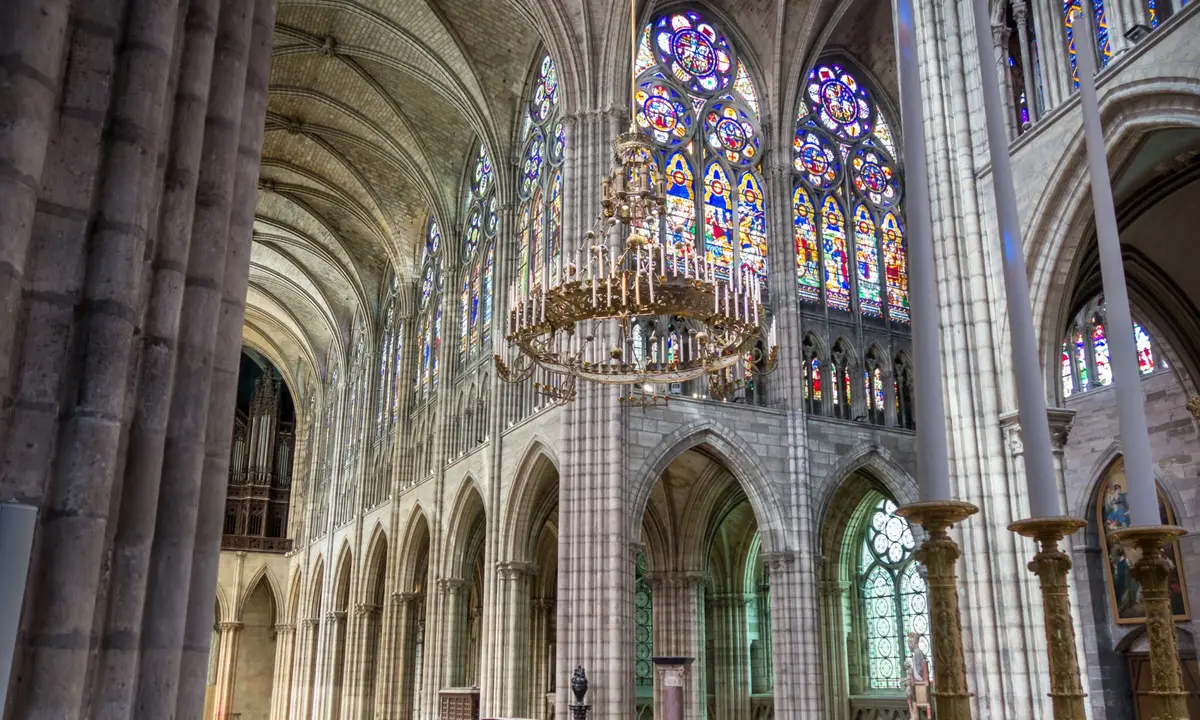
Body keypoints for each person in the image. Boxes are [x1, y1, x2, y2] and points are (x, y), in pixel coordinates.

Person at [904, 632, 930, 720]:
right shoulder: (917, 653)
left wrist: (911, 675)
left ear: (913, 643)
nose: (908, 646)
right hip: (917, 682)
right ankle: (913, 714)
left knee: (908, 690)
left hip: (920, 684)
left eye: (909, 644)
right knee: (908, 688)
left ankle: (914, 715)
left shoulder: (918, 653)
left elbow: (919, 671)